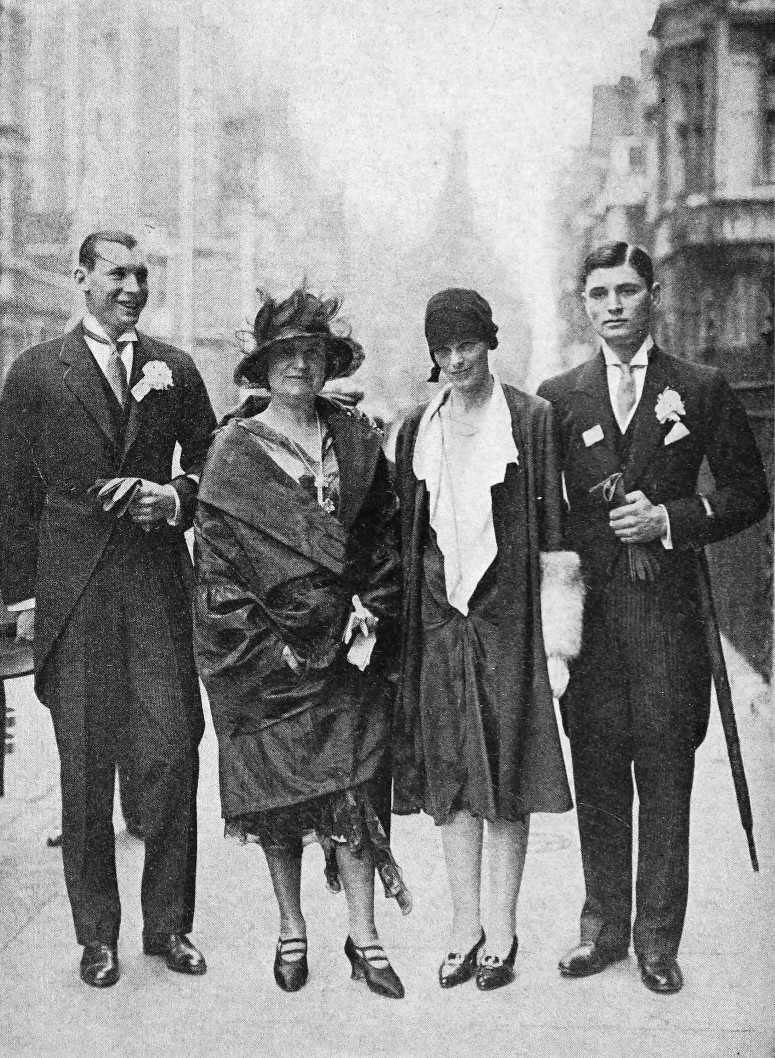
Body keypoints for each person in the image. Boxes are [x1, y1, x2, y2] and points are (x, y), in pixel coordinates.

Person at [537, 242, 770, 994]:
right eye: (599, 291)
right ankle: (601, 930)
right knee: (599, 770)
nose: (613, 305)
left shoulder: (698, 388)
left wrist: (669, 518)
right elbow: (542, 517)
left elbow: (746, 495)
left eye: (627, 290)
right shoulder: (557, 396)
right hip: (595, 618)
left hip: (669, 614)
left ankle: (656, 943)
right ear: (583, 302)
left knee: (666, 774)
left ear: (654, 297)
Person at [0, 231, 216, 988]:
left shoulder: (175, 370)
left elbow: (210, 458)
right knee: (86, 764)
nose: (132, 287)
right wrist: (23, 595)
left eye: (141, 275)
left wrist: (175, 498)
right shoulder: (33, 373)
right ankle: (97, 936)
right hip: (74, 590)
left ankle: (170, 926)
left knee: (173, 751)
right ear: (80, 278)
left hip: (156, 585)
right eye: (116, 274)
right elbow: (12, 490)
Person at [193, 286, 409, 1000]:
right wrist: (277, 645)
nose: (300, 367)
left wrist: (371, 610)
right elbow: (218, 573)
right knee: (277, 802)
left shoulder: (355, 438)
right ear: (263, 366)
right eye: (286, 355)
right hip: (268, 662)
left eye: (312, 354)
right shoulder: (231, 453)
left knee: (353, 793)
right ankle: (291, 929)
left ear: (327, 363)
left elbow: (383, 536)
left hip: (348, 653)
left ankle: (365, 936)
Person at [393, 288, 584, 991]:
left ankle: (501, 930)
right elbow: (404, 531)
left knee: (505, 773)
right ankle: (462, 925)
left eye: (465, 345)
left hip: (508, 620)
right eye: (441, 350)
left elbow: (555, 534)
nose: (455, 361)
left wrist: (556, 642)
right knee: (450, 774)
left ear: (487, 343)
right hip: (440, 620)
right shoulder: (416, 426)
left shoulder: (530, 419)